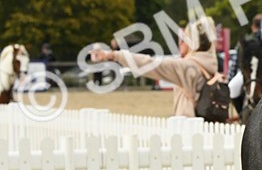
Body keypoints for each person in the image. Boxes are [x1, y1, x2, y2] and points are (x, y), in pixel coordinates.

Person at [90, 17, 219, 118]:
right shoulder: (210, 63)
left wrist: (114, 55)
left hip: (188, 127)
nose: (179, 42)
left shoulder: (187, 68)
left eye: (184, 39)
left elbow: (150, 64)